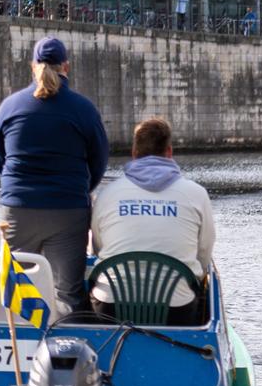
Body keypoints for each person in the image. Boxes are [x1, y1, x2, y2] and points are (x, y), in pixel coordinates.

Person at [0, 37, 109, 314]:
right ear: (66, 66)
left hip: (17, 211)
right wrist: (81, 189)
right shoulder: (83, 109)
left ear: (33, 66)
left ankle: (16, 346)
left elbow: (0, 160)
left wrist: (17, 190)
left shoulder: (9, 107)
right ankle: (68, 348)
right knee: (68, 294)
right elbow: (99, 160)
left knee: (14, 291)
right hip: (68, 211)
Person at [89, 117, 215, 325]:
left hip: (111, 306)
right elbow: (203, 254)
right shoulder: (197, 194)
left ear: (134, 153)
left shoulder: (108, 194)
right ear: (169, 152)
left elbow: (98, 248)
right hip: (175, 309)